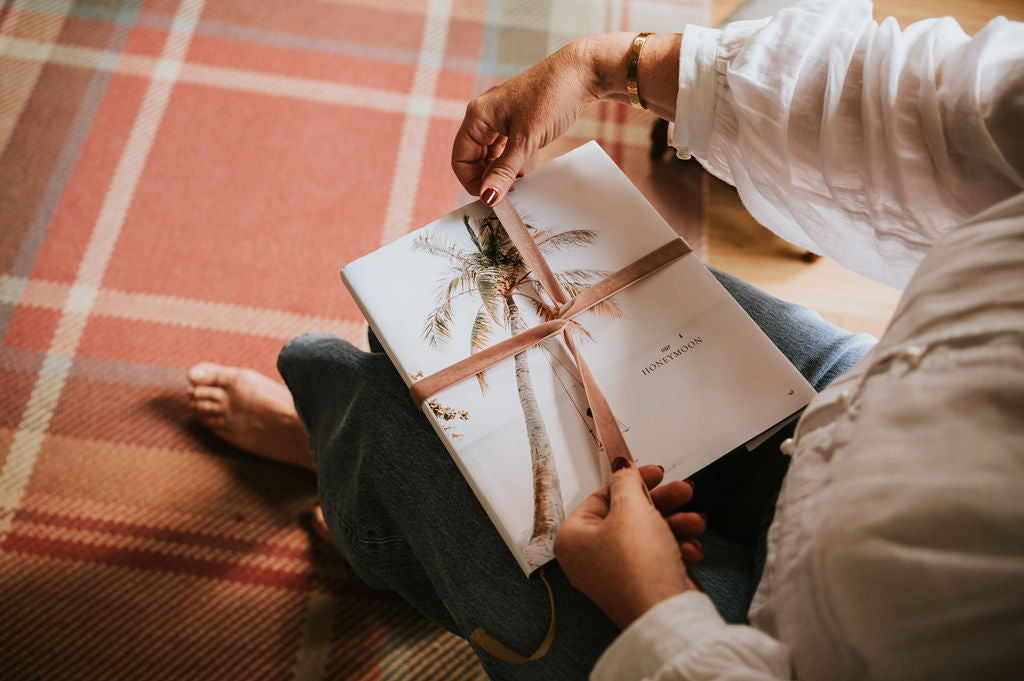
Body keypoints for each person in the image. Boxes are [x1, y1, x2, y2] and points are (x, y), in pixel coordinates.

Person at [187, 0, 1024, 678]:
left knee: (411, 450)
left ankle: (377, 509)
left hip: (773, 644)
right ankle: (390, 478)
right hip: (860, 394)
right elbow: (952, 105)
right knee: (426, 308)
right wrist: (602, 64)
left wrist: (655, 604)